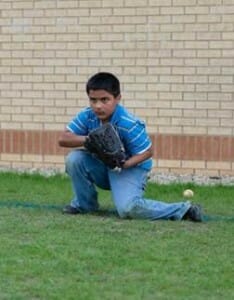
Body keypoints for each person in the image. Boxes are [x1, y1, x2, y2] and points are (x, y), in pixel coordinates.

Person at [58, 72, 202, 222]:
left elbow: (148, 151)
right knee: (74, 158)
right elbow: (63, 139)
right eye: (93, 100)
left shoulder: (128, 123)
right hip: (102, 166)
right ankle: (84, 205)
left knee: (127, 209)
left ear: (117, 98)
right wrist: (89, 139)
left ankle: (184, 209)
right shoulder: (87, 115)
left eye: (104, 100)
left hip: (131, 168)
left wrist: (124, 164)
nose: (98, 106)